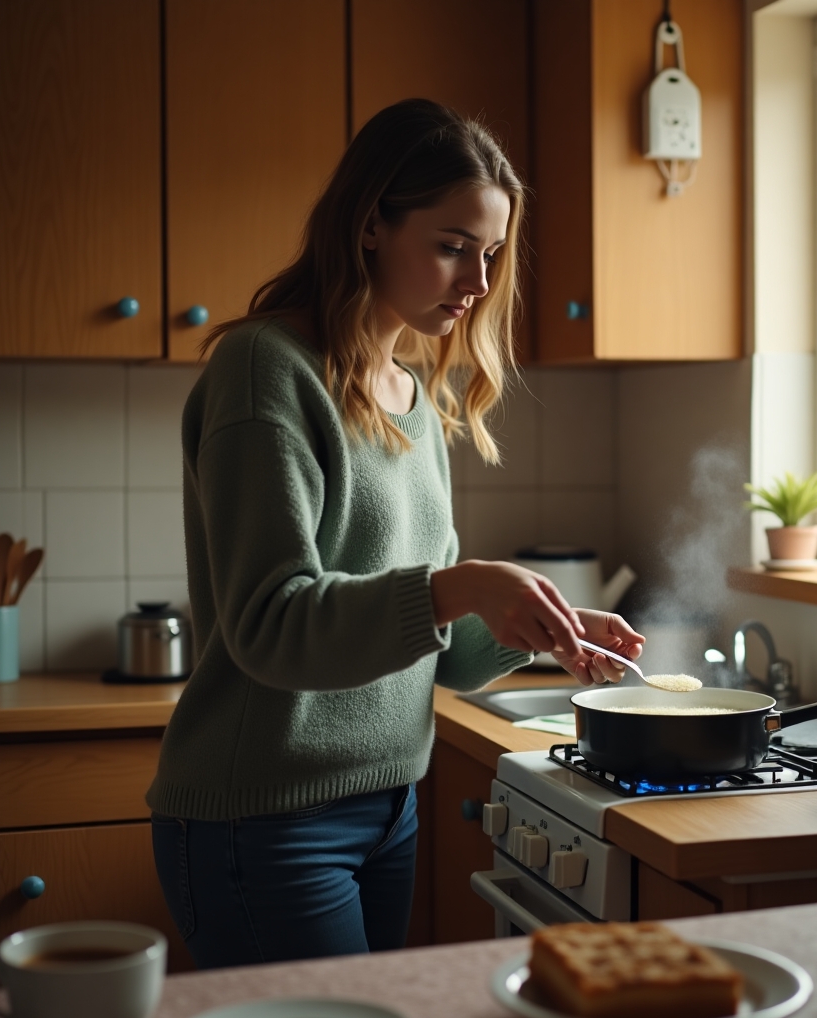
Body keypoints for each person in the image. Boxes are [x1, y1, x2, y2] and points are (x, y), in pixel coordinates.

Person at [147, 99, 644, 969]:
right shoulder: (266, 369)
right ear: (371, 224)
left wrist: (542, 629)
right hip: (263, 817)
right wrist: (463, 586)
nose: (478, 281)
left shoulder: (413, 397)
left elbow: (439, 655)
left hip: (390, 806)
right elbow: (270, 625)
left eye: (490, 254)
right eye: (453, 245)